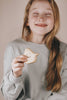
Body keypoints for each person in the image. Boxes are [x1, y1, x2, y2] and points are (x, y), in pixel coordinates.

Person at [1, 0, 67, 100]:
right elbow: (9, 96)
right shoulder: (14, 47)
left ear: (55, 20)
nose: (41, 18)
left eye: (48, 14)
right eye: (35, 13)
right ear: (27, 20)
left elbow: (64, 93)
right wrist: (15, 75)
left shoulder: (64, 50)